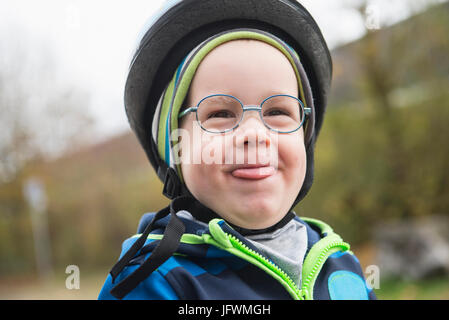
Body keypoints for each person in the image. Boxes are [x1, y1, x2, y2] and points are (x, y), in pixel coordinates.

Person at [98, 0, 376, 300]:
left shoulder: (342, 266)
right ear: (175, 148)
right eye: (220, 114)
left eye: (278, 111)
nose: (255, 134)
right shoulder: (155, 280)